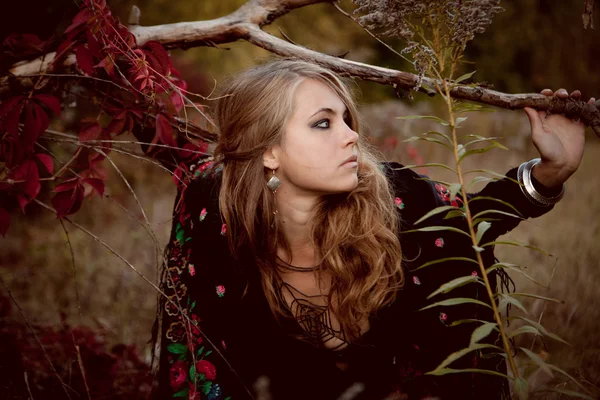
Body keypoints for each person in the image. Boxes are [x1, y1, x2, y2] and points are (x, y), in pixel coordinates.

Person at [153, 59, 592, 400]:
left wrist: (554, 170)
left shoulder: (394, 194)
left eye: (346, 119)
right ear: (268, 151)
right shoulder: (215, 218)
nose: (350, 137)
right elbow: (197, 363)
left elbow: (468, 224)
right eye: (323, 123)